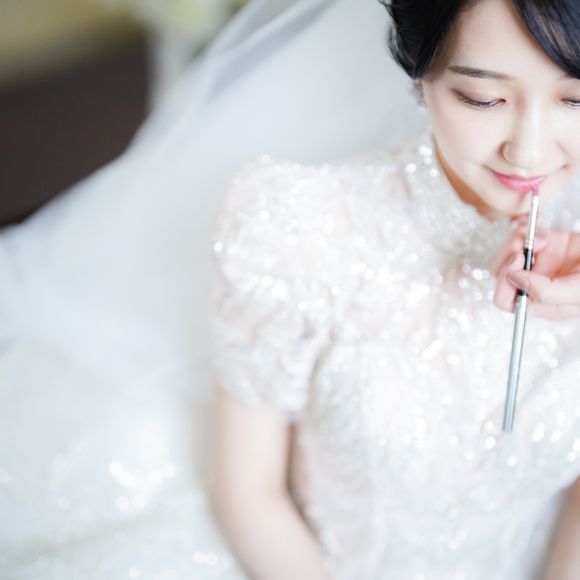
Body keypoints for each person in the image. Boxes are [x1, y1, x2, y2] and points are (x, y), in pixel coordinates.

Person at [210, 1, 580, 579]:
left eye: (576, 100)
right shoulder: (297, 227)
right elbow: (249, 491)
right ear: (419, 69)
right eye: (483, 98)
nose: (529, 151)